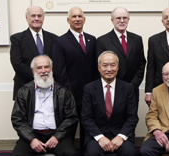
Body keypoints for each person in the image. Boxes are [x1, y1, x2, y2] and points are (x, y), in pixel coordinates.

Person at [11, 55, 78, 156]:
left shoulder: (64, 92)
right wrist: (32, 139)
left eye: (47, 67)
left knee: (70, 153)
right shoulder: (23, 91)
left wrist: (57, 137)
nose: (43, 70)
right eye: (39, 68)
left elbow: (71, 117)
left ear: (52, 69)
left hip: (57, 134)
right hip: (32, 134)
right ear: (33, 70)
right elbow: (17, 118)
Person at [52, 7, 97, 149]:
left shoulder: (92, 39)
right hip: (70, 94)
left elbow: (95, 67)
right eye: (74, 17)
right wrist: (68, 93)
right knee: (69, 130)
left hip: (90, 94)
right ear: (68, 20)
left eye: (80, 16)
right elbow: (60, 70)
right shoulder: (60, 41)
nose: (77, 19)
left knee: (88, 129)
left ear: (84, 19)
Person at [81, 51, 139, 156]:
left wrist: (120, 136)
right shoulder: (89, 88)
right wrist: (100, 137)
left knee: (130, 152)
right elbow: (86, 118)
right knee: (92, 153)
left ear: (118, 67)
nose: (109, 69)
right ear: (99, 68)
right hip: (97, 135)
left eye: (113, 65)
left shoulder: (128, 88)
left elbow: (132, 117)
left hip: (121, 134)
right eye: (105, 65)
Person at [96, 7, 146, 103]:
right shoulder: (102, 41)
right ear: (112, 20)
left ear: (128, 19)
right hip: (111, 89)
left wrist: (133, 84)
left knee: (131, 117)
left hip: (132, 89)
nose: (122, 21)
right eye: (118, 18)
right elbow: (100, 67)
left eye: (125, 18)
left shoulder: (137, 39)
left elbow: (141, 64)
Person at [10, 6, 57, 100]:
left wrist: (46, 78)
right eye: (33, 16)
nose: (36, 18)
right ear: (27, 18)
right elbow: (17, 63)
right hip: (25, 86)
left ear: (43, 18)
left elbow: (57, 62)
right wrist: (39, 76)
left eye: (39, 16)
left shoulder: (54, 38)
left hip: (49, 86)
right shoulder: (17, 39)